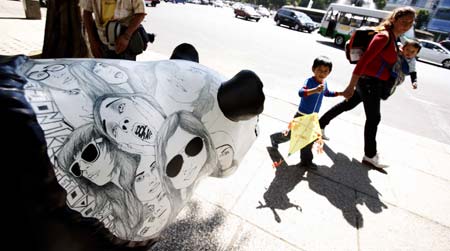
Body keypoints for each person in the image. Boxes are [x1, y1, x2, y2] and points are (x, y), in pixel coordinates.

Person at [319, 7, 416, 169]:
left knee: (348, 105)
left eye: (410, 22)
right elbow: (363, 63)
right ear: (394, 19)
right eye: (403, 21)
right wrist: (350, 86)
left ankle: (320, 124)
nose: (407, 25)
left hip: (372, 83)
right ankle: (370, 155)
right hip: (369, 82)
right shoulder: (383, 36)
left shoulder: (393, 38)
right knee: (374, 118)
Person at [270, 56, 341, 169]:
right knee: (291, 135)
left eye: (325, 71)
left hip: (312, 118)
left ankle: (306, 161)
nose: (322, 73)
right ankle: (275, 138)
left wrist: (340, 93)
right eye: (319, 70)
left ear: (329, 72)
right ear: (313, 69)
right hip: (301, 115)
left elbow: (327, 93)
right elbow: (301, 92)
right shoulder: (310, 81)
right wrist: (315, 90)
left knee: (308, 140)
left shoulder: (324, 83)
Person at [80, 0, 146, 60]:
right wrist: (92, 42)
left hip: (125, 45)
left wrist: (126, 37)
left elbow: (140, 13)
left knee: (124, 71)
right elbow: (87, 13)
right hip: (102, 43)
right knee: (103, 71)